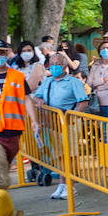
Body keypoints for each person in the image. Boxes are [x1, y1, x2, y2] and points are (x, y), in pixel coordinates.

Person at [31, 53, 90, 198]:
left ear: (64, 66)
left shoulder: (73, 82)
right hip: (51, 123)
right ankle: (62, 184)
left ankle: (70, 185)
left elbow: (83, 101)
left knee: (68, 155)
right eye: (51, 63)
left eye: (57, 63)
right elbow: (37, 95)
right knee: (58, 155)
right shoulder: (48, 81)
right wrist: (39, 100)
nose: (54, 66)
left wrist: (73, 117)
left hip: (67, 122)